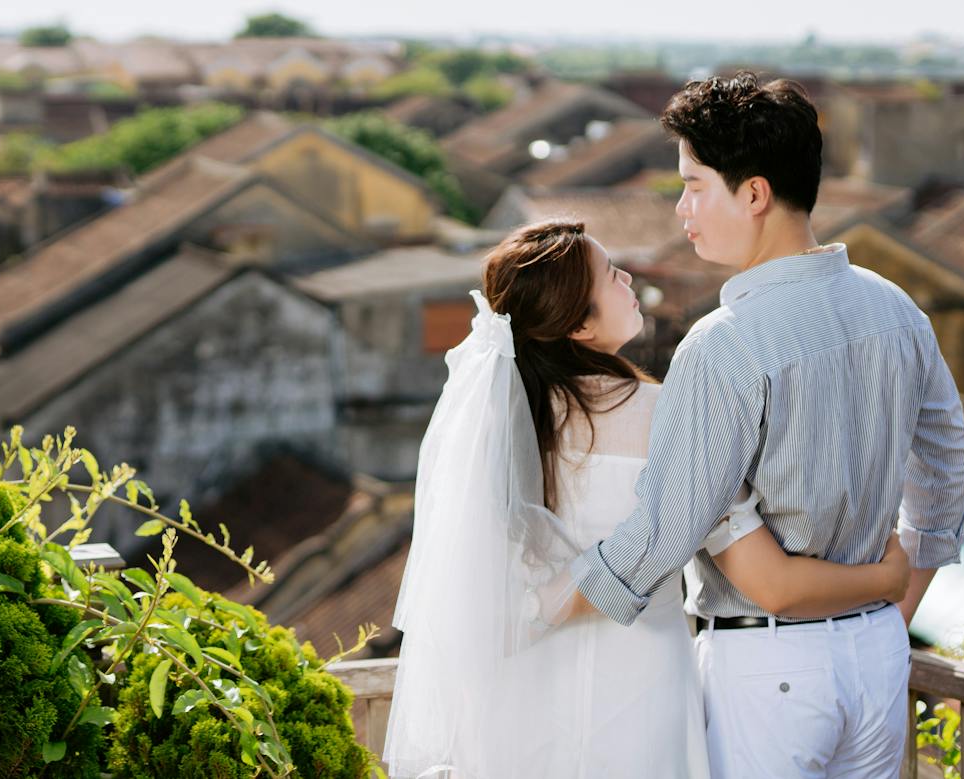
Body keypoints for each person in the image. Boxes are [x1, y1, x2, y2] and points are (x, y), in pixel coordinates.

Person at [383, 219, 911, 779]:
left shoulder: (493, 434)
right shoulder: (668, 414)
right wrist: (885, 580)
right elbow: (767, 578)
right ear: (580, 327)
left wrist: (538, 606)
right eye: (611, 275)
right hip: (640, 684)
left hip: (516, 694)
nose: (628, 276)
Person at [566, 74, 964, 778]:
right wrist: (893, 603)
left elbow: (666, 527)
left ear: (754, 193)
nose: (682, 211)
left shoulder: (721, 343)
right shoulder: (897, 308)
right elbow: (949, 465)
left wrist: (546, 608)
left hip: (769, 666)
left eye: (694, 186)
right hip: (879, 656)